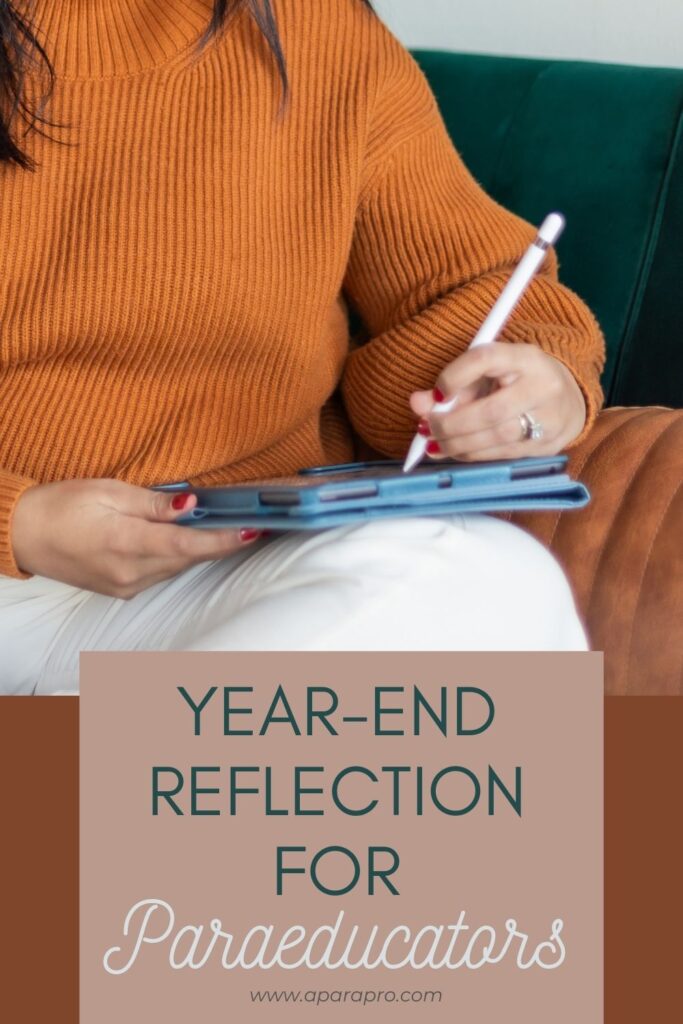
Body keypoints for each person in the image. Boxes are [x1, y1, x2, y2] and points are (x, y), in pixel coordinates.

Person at [0, 0, 605, 693]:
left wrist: (529, 384)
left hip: (218, 572)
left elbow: (463, 287)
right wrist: (18, 523)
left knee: (498, 584)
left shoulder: (313, 30)